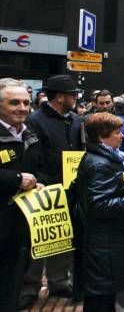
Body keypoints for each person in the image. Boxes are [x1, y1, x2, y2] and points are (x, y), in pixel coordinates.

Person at [75, 113, 124, 311]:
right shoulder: (99, 163)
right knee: (101, 295)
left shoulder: (109, 157)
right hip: (105, 241)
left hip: (109, 238)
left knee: (106, 293)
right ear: (101, 137)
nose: (122, 136)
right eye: (117, 133)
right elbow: (99, 205)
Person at [21, 75, 83, 305]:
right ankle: (30, 286)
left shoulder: (76, 120)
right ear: (60, 97)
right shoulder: (34, 120)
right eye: (72, 94)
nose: (76, 98)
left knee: (63, 235)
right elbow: (32, 154)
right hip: (42, 188)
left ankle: (59, 281)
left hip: (69, 189)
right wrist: (44, 180)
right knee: (38, 237)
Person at [0, 79, 42, 312]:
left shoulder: (29, 134)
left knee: (15, 273)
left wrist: (38, 183)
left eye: (26, 102)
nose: (22, 108)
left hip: (21, 221)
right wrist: (16, 180)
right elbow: (19, 175)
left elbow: (36, 168)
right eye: (14, 102)